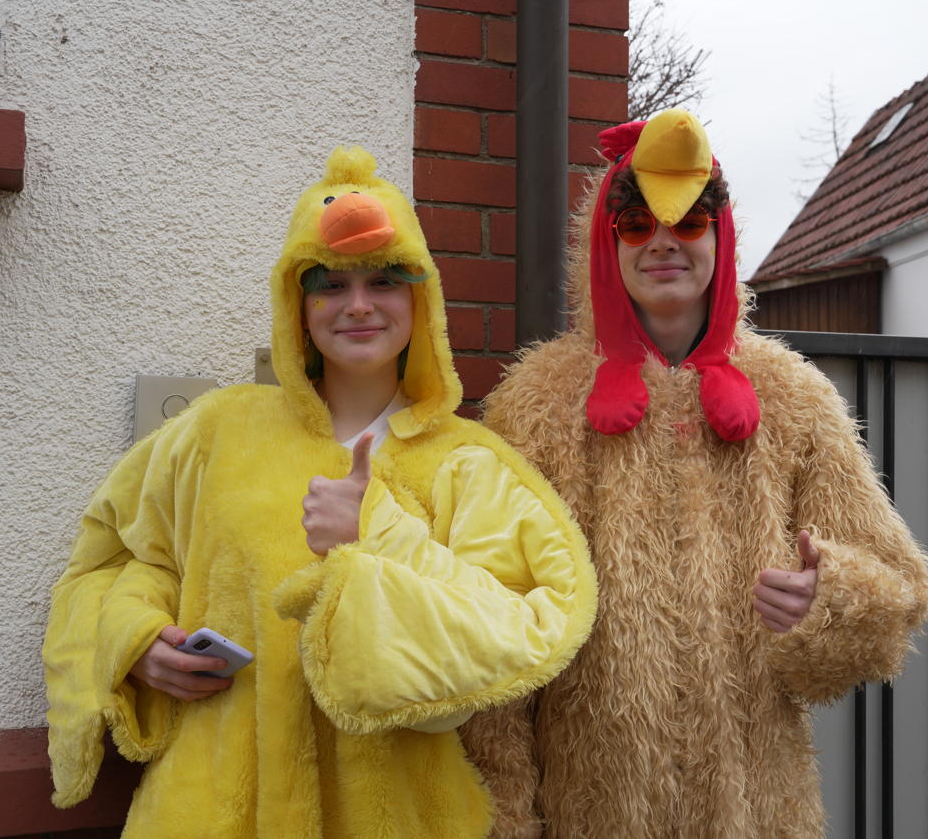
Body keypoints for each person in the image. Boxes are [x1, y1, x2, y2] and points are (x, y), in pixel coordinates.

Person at [42, 147, 597, 838]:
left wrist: (376, 534)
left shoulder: (468, 463)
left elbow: (519, 631)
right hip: (212, 806)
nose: (357, 304)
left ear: (419, 299)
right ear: (296, 306)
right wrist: (138, 640)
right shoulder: (217, 432)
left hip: (391, 814)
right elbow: (121, 559)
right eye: (328, 284)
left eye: (385, 280)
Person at [459, 109, 928, 838]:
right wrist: (507, 818)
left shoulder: (794, 396)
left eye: (688, 224)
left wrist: (826, 597)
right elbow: (492, 633)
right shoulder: (534, 405)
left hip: (756, 813)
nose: (662, 244)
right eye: (636, 224)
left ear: (721, 236)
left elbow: (900, 587)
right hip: (590, 816)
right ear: (604, 241)